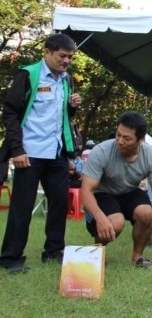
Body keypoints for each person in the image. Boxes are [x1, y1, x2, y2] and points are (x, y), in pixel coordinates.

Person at [0, 34, 81, 274]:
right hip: (29, 152)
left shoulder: (67, 80)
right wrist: (17, 149)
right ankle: (11, 257)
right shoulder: (28, 75)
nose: (66, 61)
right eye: (62, 56)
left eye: (70, 57)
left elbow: (62, 118)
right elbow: (10, 112)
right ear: (47, 52)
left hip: (56, 152)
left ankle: (54, 252)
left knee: (59, 203)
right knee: (22, 206)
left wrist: (72, 107)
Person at [81, 111, 152, 268]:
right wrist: (100, 217)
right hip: (102, 193)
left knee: (146, 213)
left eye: (127, 138)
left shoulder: (151, 156)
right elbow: (86, 190)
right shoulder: (101, 151)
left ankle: (137, 257)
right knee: (116, 223)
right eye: (118, 135)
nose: (120, 141)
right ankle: (96, 253)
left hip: (129, 191)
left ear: (141, 139)